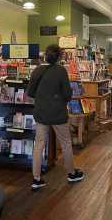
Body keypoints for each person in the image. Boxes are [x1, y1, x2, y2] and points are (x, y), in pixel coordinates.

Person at [27, 44, 84, 190]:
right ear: (59, 56)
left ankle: (36, 178)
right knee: (65, 142)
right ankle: (71, 173)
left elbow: (30, 92)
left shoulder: (37, 70)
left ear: (45, 55)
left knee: (39, 144)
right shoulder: (61, 71)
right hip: (58, 113)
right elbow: (67, 94)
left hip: (41, 112)